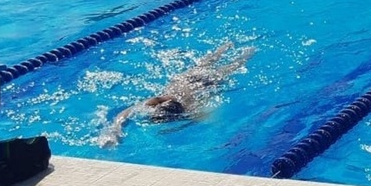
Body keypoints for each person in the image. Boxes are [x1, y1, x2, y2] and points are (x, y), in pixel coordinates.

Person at [99, 42, 256, 147]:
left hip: (204, 83)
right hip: (186, 79)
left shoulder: (192, 108)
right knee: (205, 65)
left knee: (229, 68)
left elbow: (214, 122)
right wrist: (115, 129)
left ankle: (246, 52)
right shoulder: (156, 102)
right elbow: (124, 113)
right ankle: (227, 48)